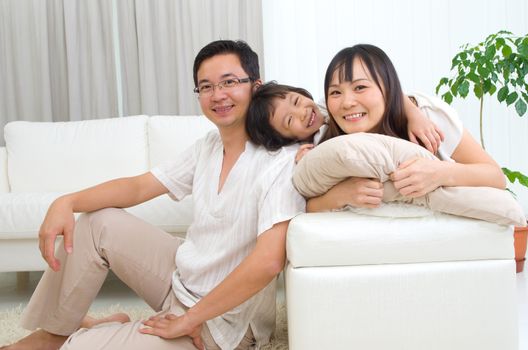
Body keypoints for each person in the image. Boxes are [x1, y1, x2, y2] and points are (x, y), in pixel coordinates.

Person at [2, 40, 305, 350]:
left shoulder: (283, 160)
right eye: (206, 87)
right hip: (181, 279)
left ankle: (82, 336)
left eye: (229, 82)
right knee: (98, 222)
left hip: (224, 323)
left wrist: (189, 319)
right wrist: (65, 202)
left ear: (256, 86)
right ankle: (52, 334)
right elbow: (138, 187)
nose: (218, 95)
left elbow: (268, 262)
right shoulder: (208, 146)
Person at [246, 43, 506, 212]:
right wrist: (342, 194)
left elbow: (495, 177)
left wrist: (440, 172)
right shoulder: (325, 135)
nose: (347, 102)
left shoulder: (427, 118)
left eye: (360, 87)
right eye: (335, 92)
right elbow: (307, 205)